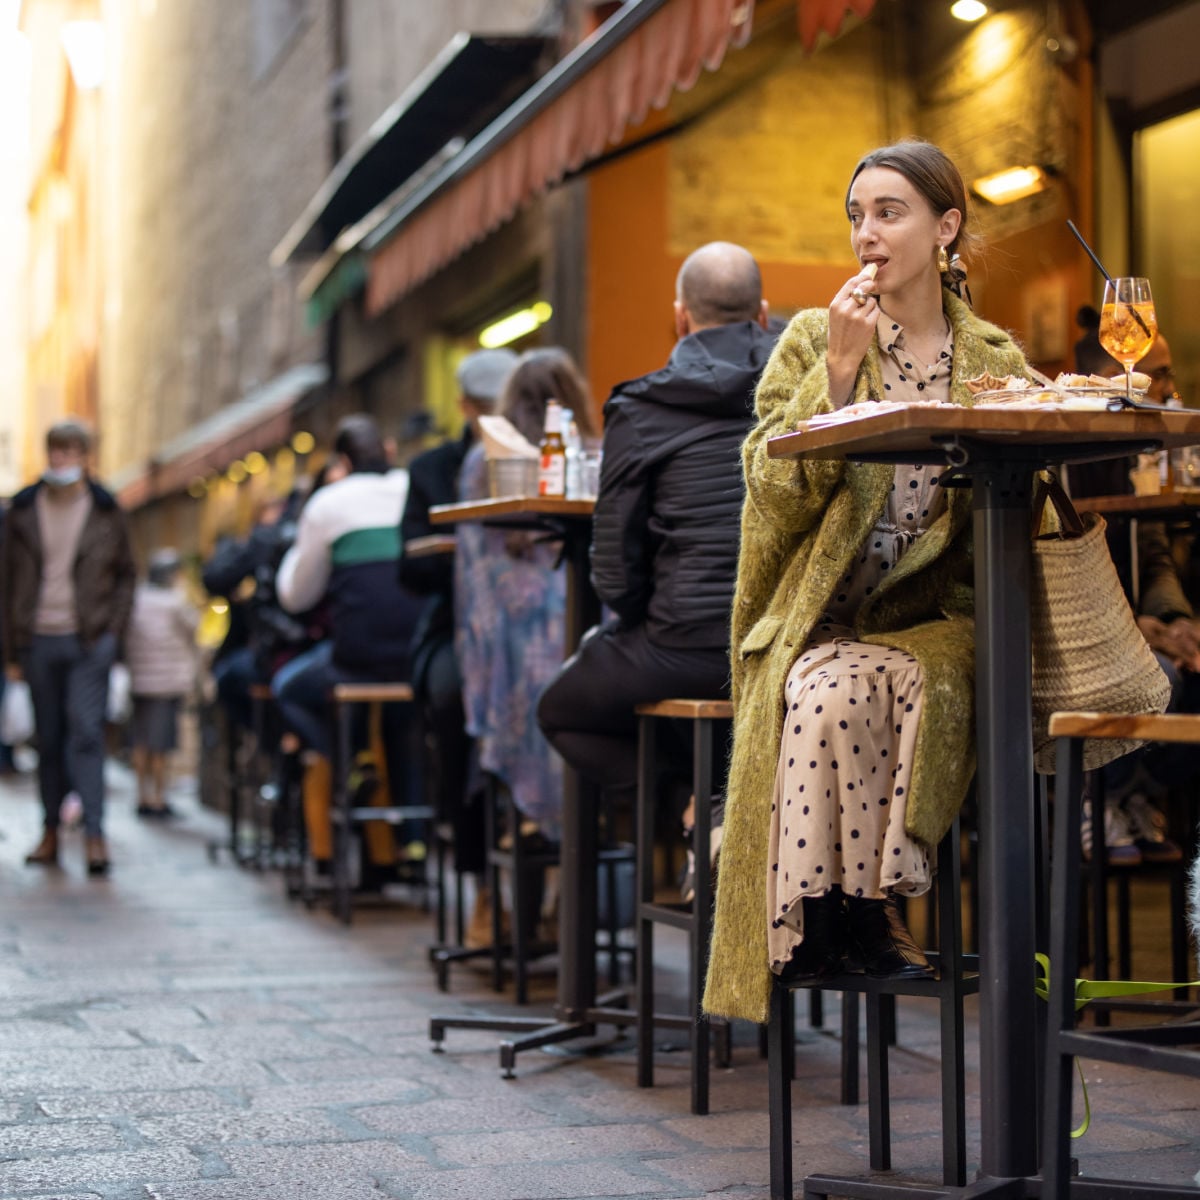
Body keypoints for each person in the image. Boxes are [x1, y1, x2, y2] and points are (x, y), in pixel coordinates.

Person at [704, 141, 1032, 1025]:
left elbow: (1029, 497)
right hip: (821, 615)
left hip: (936, 620)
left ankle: (849, 915)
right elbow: (766, 494)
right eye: (856, 216)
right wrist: (838, 374)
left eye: (889, 212)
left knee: (842, 684)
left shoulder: (995, 358)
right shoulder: (814, 337)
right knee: (825, 678)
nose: (867, 234)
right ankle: (843, 918)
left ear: (946, 227)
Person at [536, 242, 778, 869]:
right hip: (784, 643)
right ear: (764, 314)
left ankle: (694, 806)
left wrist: (648, 616)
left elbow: (613, 566)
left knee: (561, 712)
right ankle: (734, 810)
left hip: (685, 646)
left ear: (679, 317)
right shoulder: (808, 386)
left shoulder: (640, 407)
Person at [455, 348, 598, 848]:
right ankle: (579, 834)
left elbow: (473, 579)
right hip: (586, 636)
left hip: (508, 651)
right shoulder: (596, 454)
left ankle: (525, 843)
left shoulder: (481, 463)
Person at [398, 347, 517, 944]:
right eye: (487, 408)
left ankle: (550, 888)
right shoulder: (433, 471)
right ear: (465, 407)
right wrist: (463, 555)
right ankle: (480, 886)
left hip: (530, 629)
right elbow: (408, 568)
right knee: (454, 704)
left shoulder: (539, 458)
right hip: (455, 625)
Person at [275, 415, 425, 868]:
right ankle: (411, 838)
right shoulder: (415, 488)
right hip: (418, 659)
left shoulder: (327, 503)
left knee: (290, 689)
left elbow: (296, 596)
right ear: (390, 449)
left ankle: (349, 761)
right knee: (404, 719)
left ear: (341, 461)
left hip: (356, 660)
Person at [2, 418, 137, 875]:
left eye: (69, 451)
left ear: (85, 456)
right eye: (54, 451)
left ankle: (95, 834)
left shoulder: (106, 509)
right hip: (36, 638)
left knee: (87, 733)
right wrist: (10, 652)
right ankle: (51, 831)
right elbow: (4, 583)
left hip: (89, 640)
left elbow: (126, 577)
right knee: (49, 738)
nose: (60, 459)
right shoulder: (21, 510)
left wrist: (112, 635)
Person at [124, 548, 199, 817]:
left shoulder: (137, 599)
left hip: (140, 680)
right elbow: (195, 630)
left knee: (140, 740)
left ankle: (142, 795)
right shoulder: (176, 602)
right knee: (160, 744)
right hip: (166, 682)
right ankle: (157, 798)